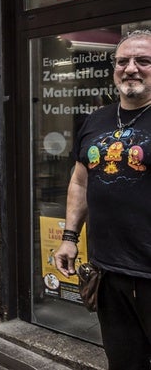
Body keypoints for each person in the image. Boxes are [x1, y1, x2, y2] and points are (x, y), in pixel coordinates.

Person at [54, 29, 151, 369]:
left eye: (143, 61)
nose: (131, 68)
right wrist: (69, 238)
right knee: (124, 363)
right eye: (122, 61)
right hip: (107, 272)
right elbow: (80, 182)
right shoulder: (96, 120)